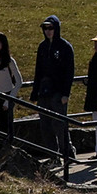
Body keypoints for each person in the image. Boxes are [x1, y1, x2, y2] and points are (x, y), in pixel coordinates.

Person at [31, 14, 76, 160]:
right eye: (45, 28)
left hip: (58, 92)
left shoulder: (65, 47)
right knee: (45, 126)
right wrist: (34, 92)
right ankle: (53, 156)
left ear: (56, 28)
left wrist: (66, 94)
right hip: (44, 91)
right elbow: (38, 70)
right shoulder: (42, 47)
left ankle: (67, 152)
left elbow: (70, 72)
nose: (48, 31)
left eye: (51, 28)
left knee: (59, 125)